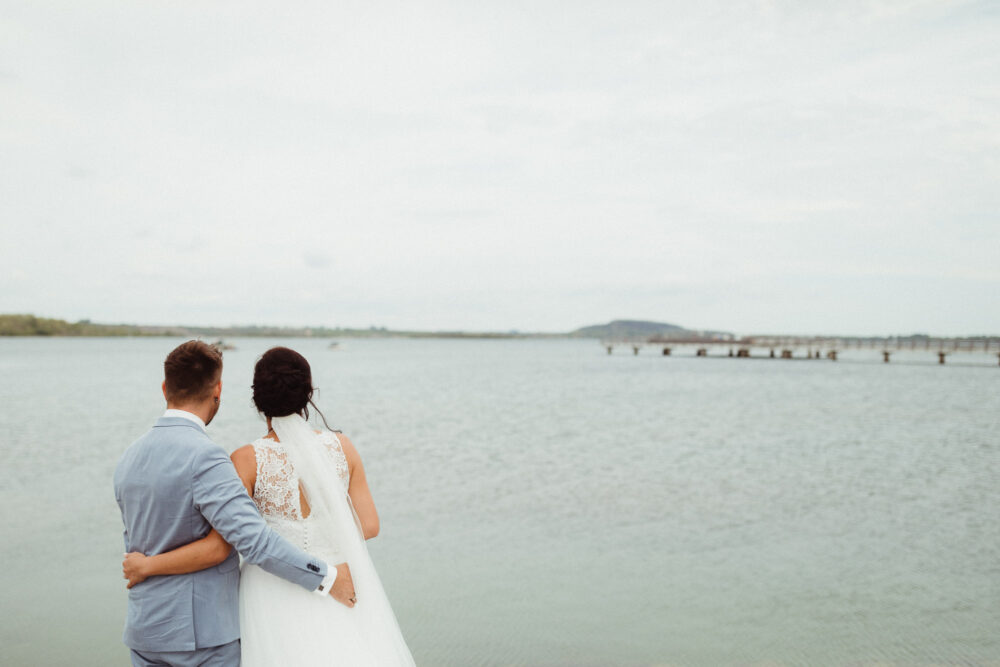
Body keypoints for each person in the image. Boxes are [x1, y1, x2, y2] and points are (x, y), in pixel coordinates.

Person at [122, 346, 415, 666]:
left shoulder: (245, 459)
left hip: (265, 596)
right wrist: (322, 544)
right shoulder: (343, 447)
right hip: (338, 582)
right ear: (307, 394)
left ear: (258, 400)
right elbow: (369, 526)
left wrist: (146, 566)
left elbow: (224, 544)